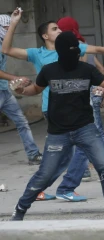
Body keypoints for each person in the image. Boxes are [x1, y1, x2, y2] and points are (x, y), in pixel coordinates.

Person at [2, 8, 104, 201]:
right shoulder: (37, 54)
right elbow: (6, 50)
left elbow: (98, 49)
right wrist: (14, 22)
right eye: (55, 28)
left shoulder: (71, 47)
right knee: (75, 151)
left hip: (77, 108)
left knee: (63, 156)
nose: (59, 30)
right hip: (53, 109)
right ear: (45, 35)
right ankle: (63, 188)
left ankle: (43, 188)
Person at [10, 31, 104, 221]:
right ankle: (20, 210)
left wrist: (103, 90)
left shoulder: (87, 70)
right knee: (44, 175)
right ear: (60, 52)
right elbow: (35, 89)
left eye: (75, 50)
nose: (73, 54)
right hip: (58, 133)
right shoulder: (49, 70)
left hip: (86, 129)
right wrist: (21, 90)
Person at [50, 17, 104, 202]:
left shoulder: (70, 48)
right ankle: (84, 172)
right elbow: (101, 70)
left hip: (86, 93)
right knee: (87, 134)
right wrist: (103, 93)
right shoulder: (81, 44)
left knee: (92, 134)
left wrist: (99, 92)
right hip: (93, 89)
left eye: (60, 28)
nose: (58, 31)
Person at [0, 14, 43, 165]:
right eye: (6, 28)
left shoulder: (3, 46)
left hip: (4, 91)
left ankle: (33, 154)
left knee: (22, 122)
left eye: (10, 27)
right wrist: (14, 78)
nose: (8, 31)